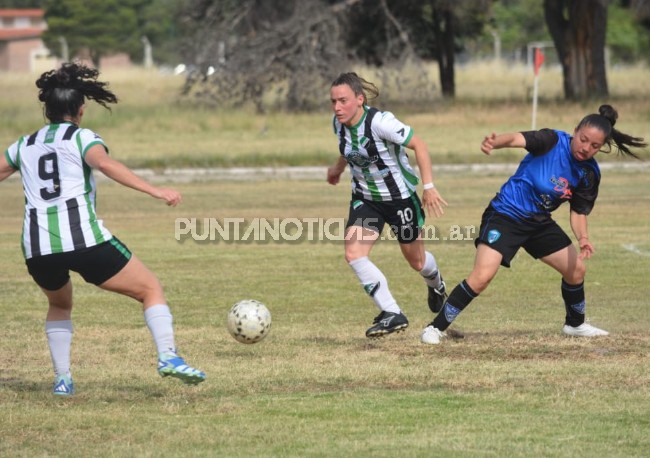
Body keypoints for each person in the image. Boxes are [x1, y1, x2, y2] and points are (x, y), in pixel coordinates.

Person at [0, 63, 205, 395]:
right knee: (150, 288)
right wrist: (155, 190)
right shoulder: (82, 137)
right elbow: (105, 164)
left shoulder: (23, 144)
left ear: (46, 110)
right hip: (84, 240)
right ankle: (168, 356)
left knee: (60, 304)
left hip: (37, 248)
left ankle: (63, 380)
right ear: (81, 111)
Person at [420, 104, 647, 344]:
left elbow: (579, 212)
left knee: (576, 270)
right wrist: (496, 142)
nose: (586, 148)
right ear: (575, 131)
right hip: (505, 214)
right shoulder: (551, 141)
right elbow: (519, 138)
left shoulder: (589, 173)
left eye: (595, 146)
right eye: (583, 140)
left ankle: (575, 324)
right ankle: (435, 328)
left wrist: (583, 239)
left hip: (538, 223)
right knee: (482, 276)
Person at [326, 72, 448, 338]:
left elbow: (420, 145)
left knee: (417, 262)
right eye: (333, 101)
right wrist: (336, 170)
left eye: (343, 101)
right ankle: (393, 313)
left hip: (399, 200)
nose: (337, 107)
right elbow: (348, 150)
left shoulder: (381, 123)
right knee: (354, 254)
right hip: (366, 199)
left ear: (359, 99)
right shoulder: (339, 125)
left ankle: (436, 282)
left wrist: (428, 187)